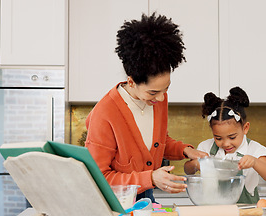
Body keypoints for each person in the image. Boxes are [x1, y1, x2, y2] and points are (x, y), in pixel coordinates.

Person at [85, 13, 208, 203]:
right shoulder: (105, 114)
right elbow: (98, 178)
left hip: (146, 197)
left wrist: (185, 151)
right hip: (115, 203)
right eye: (152, 92)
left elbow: (158, 141)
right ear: (131, 81)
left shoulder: (158, 99)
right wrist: (150, 178)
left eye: (166, 88)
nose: (160, 98)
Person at [184, 87, 266, 204]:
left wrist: (255, 162)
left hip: (246, 212)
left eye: (232, 137)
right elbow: (188, 170)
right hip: (214, 209)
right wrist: (196, 164)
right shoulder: (206, 147)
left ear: (245, 128)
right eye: (218, 138)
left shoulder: (254, 149)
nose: (226, 143)